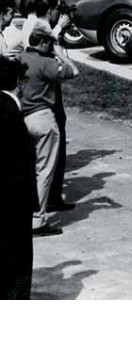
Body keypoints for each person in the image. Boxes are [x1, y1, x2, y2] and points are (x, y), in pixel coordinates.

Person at [19, 30, 79, 236]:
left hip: (22, 117)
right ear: (44, 43)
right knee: (44, 171)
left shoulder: (19, 59)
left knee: (25, 170)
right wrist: (60, 54)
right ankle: (38, 220)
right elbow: (74, 72)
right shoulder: (46, 63)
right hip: (43, 118)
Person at [0, 56, 37, 299]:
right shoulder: (11, 111)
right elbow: (21, 159)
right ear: (19, 83)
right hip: (14, 198)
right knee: (18, 260)